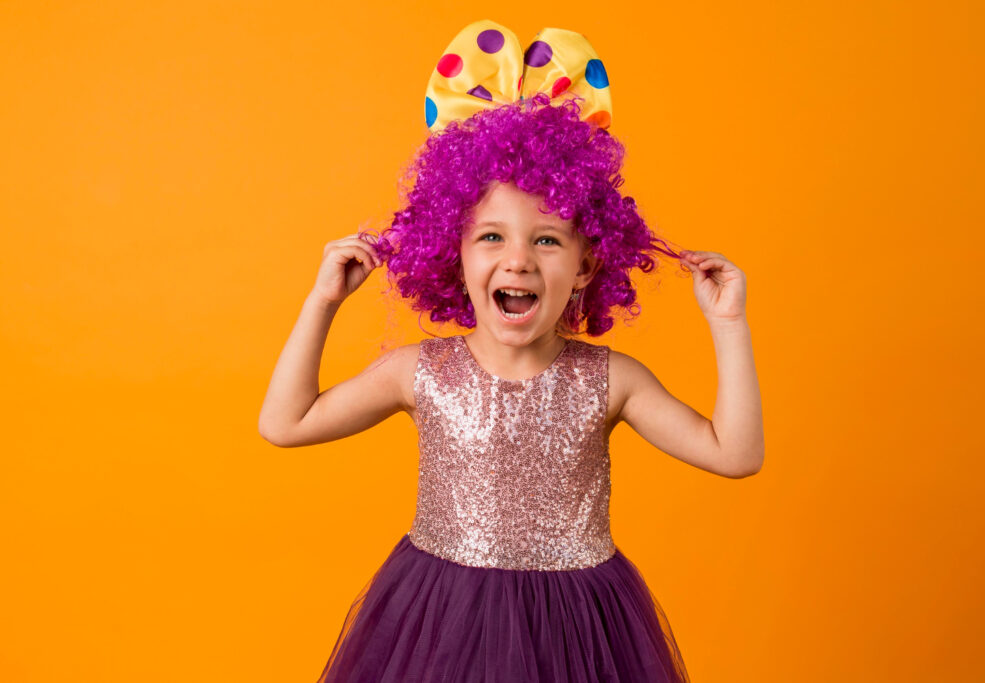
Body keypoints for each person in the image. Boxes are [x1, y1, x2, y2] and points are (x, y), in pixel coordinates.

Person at [258, 19, 763, 682]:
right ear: (454, 253)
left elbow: (737, 453)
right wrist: (322, 303)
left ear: (586, 265)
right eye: (490, 237)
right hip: (440, 621)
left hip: (580, 631)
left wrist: (728, 324)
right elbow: (283, 423)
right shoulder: (421, 372)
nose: (518, 260)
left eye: (547, 240)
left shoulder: (610, 381)